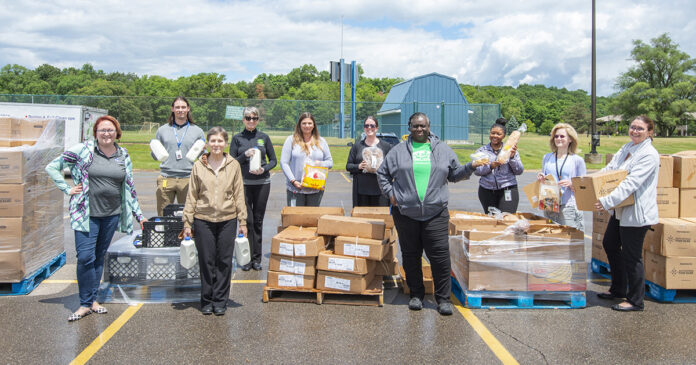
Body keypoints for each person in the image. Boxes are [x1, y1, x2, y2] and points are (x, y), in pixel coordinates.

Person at [377, 112, 481, 316]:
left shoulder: (442, 150)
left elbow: (454, 174)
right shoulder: (398, 151)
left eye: (423, 126)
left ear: (429, 127)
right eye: (415, 126)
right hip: (406, 212)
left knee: (440, 256)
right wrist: (390, 193)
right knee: (411, 255)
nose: (419, 129)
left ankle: (443, 298)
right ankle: (416, 294)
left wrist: (471, 167)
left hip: (436, 212)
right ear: (409, 127)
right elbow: (382, 173)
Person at [45, 115, 146, 322]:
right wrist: (67, 188)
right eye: (102, 130)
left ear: (117, 133)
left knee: (99, 257)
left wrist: (139, 215)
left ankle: (92, 300)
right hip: (86, 214)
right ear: (96, 133)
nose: (106, 134)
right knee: (84, 257)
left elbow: (129, 187)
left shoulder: (123, 154)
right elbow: (52, 167)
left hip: (111, 215)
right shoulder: (83, 150)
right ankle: (84, 303)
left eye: (110, 130)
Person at [595, 116, 659, 312]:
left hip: (637, 213)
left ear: (650, 132)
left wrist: (606, 201)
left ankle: (635, 300)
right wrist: (588, 182)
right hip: (621, 210)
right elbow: (610, 171)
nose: (635, 131)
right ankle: (618, 289)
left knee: (632, 256)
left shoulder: (649, 154)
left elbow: (631, 184)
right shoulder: (627, 148)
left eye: (640, 128)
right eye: (633, 127)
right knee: (610, 244)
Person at [182, 127, 247, 316]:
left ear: (225, 143)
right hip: (203, 219)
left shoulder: (233, 164)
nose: (216, 145)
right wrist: (187, 223)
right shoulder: (198, 166)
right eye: (213, 141)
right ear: (207, 144)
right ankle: (207, 299)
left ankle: (220, 300)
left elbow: (239, 194)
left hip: (228, 219)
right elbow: (191, 196)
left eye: (220, 141)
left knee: (224, 261)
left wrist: (242, 221)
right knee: (206, 260)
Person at [229, 107, 277, 271]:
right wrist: (245, 155)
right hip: (243, 183)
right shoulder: (237, 138)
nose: (251, 121)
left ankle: (257, 258)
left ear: (258, 120)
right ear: (243, 119)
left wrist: (264, 169)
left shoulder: (263, 137)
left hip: (262, 183)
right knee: (246, 221)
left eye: (254, 118)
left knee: (257, 221)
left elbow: (273, 160)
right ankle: (246, 257)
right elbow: (232, 161)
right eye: (248, 118)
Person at [153, 96, 205, 216]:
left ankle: (187, 235)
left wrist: (203, 151)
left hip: (188, 178)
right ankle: (165, 235)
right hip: (166, 178)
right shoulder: (162, 130)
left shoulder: (197, 131)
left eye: (183, 107)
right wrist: (154, 150)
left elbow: (202, 158)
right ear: (172, 109)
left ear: (188, 109)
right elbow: (155, 157)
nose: (180, 110)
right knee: (163, 215)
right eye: (177, 107)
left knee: (188, 215)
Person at [537, 123, 586, 230]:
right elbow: (545, 177)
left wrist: (572, 183)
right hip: (549, 202)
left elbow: (584, 185)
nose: (558, 139)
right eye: (556, 136)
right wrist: (541, 177)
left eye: (562, 136)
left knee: (569, 238)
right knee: (553, 238)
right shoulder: (547, 157)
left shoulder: (577, 160)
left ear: (570, 139)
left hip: (567, 204)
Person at [280, 112, 333, 206]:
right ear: (299, 125)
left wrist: (319, 163)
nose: (307, 126)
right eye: (304, 123)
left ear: (314, 125)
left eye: (309, 123)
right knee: (295, 219)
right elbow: (284, 163)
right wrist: (293, 181)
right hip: (296, 189)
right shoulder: (291, 140)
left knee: (311, 219)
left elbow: (330, 162)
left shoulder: (321, 141)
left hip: (315, 189)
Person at [474, 118, 524, 214]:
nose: (495, 136)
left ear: (504, 136)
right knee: (492, 221)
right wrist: (491, 166)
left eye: (498, 134)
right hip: (487, 191)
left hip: (507, 188)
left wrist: (512, 157)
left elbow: (519, 171)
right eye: (492, 133)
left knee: (507, 219)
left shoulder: (510, 149)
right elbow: (477, 171)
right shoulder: (482, 151)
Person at [346, 116, 392, 207]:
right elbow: (348, 166)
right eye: (367, 126)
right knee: (363, 219)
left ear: (377, 128)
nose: (369, 128)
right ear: (364, 128)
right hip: (362, 191)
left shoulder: (386, 146)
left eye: (372, 126)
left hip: (381, 190)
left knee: (381, 219)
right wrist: (358, 166)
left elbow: (392, 167)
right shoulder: (357, 146)